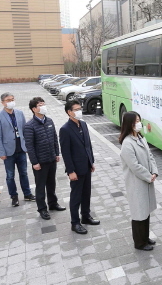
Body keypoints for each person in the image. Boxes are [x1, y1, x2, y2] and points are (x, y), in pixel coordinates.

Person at [119, 111, 159, 251]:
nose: (139, 123)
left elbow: (150, 157)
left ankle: (145, 237)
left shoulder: (141, 138)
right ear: (129, 124)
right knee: (138, 213)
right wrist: (148, 176)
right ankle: (139, 243)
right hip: (137, 183)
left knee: (145, 211)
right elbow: (134, 166)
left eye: (139, 120)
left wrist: (154, 171)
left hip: (146, 180)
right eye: (136, 121)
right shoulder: (127, 143)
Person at [59, 100, 99, 234]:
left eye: (79, 108)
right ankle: (75, 223)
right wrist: (70, 171)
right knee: (76, 196)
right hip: (76, 169)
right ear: (69, 112)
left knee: (86, 193)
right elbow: (66, 152)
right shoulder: (65, 129)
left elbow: (88, 145)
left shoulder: (83, 124)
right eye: (76, 109)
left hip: (86, 166)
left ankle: (86, 216)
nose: (79, 111)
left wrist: (91, 161)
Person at [25, 97, 66, 220]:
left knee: (51, 183)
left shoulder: (49, 121)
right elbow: (29, 146)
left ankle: (53, 203)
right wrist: (34, 162)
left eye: (44, 103)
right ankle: (42, 209)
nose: (43, 106)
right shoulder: (29, 126)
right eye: (40, 104)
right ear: (34, 109)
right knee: (40, 185)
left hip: (51, 158)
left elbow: (54, 138)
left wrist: (57, 153)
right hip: (40, 162)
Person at [0, 92, 34, 207]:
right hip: (8, 151)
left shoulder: (20, 113)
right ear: (2, 103)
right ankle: (14, 196)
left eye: (12, 99)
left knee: (24, 173)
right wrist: (1, 152)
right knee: (10, 175)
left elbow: (24, 131)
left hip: (21, 149)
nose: (11, 102)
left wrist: (27, 146)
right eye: (8, 100)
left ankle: (27, 193)